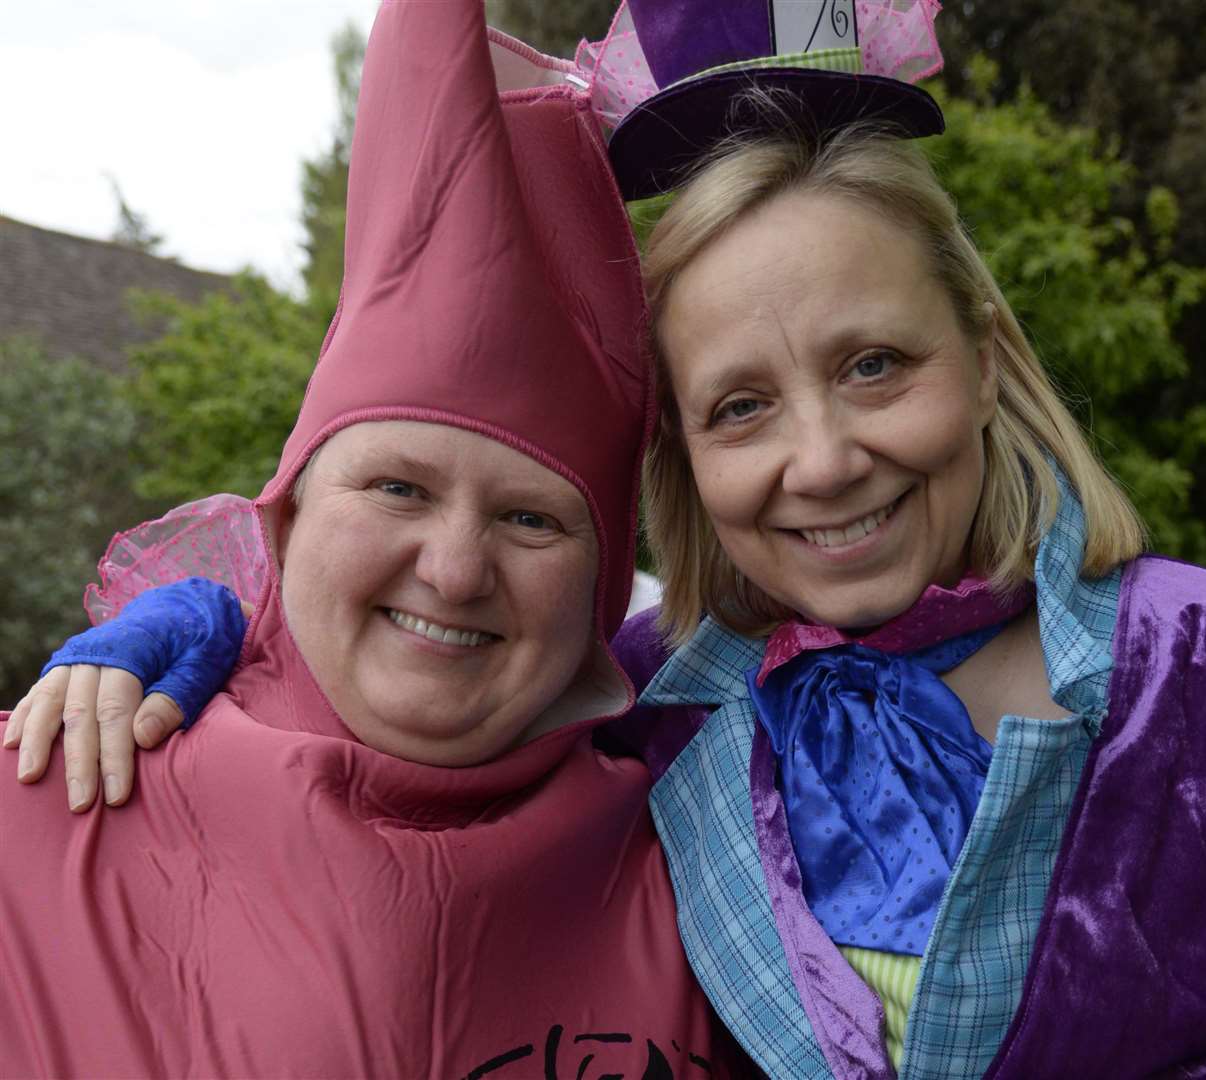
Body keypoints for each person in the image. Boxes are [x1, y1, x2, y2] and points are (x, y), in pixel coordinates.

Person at [10, 2, 1206, 1077]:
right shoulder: (661, 708)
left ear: (984, 362)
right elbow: (411, 637)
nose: (820, 459)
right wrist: (180, 626)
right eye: (740, 406)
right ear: (685, 459)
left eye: (874, 365)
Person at [0, 3, 750, 1076]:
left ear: (597, 588)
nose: (451, 569)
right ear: (288, 512)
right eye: (397, 488)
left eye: (530, 518)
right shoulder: (42, 801)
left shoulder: (717, 873)